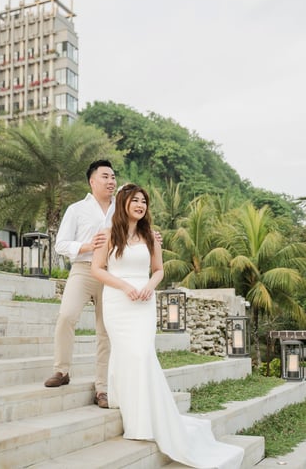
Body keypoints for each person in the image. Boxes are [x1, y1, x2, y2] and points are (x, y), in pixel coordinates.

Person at [91, 183, 244, 468]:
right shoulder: (108, 234)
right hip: (118, 300)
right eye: (135, 200)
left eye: (144, 201)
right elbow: (97, 269)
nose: (140, 205)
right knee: (127, 353)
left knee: (142, 353)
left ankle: (144, 416)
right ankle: (125, 402)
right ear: (123, 203)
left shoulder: (151, 236)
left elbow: (159, 269)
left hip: (144, 301)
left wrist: (149, 286)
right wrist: (125, 286)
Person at [44, 160, 116, 409]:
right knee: (66, 316)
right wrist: (87, 246)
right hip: (83, 270)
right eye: (105, 176)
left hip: (110, 273)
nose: (111, 181)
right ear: (92, 181)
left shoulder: (121, 209)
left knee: (105, 330)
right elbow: (60, 244)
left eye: (113, 177)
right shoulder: (76, 209)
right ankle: (62, 371)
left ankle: (103, 388)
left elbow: (136, 233)